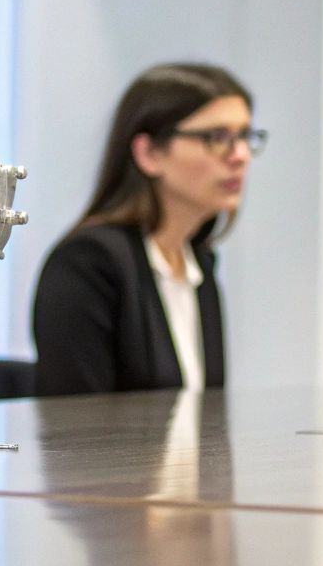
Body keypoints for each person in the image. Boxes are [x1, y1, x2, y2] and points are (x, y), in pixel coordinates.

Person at [32, 64, 264, 396]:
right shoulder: (87, 264)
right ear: (149, 152)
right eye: (217, 138)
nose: (240, 155)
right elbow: (77, 438)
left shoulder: (201, 262)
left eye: (244, 136)